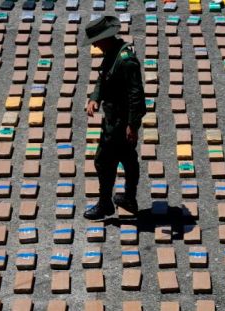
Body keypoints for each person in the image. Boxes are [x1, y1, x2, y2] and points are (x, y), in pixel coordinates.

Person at [82, 15, 146, 221]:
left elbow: (137, 96)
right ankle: (128, 199)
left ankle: (105, 204)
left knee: (103, 161)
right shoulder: (113, 52)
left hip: (120, 123)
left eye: (96, 42)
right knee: (128, 158)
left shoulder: (126, 61)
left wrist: (133, 126)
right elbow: (103, 78)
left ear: (105, 38)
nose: (95, 46)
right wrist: (95, 98)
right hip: (115, 117)